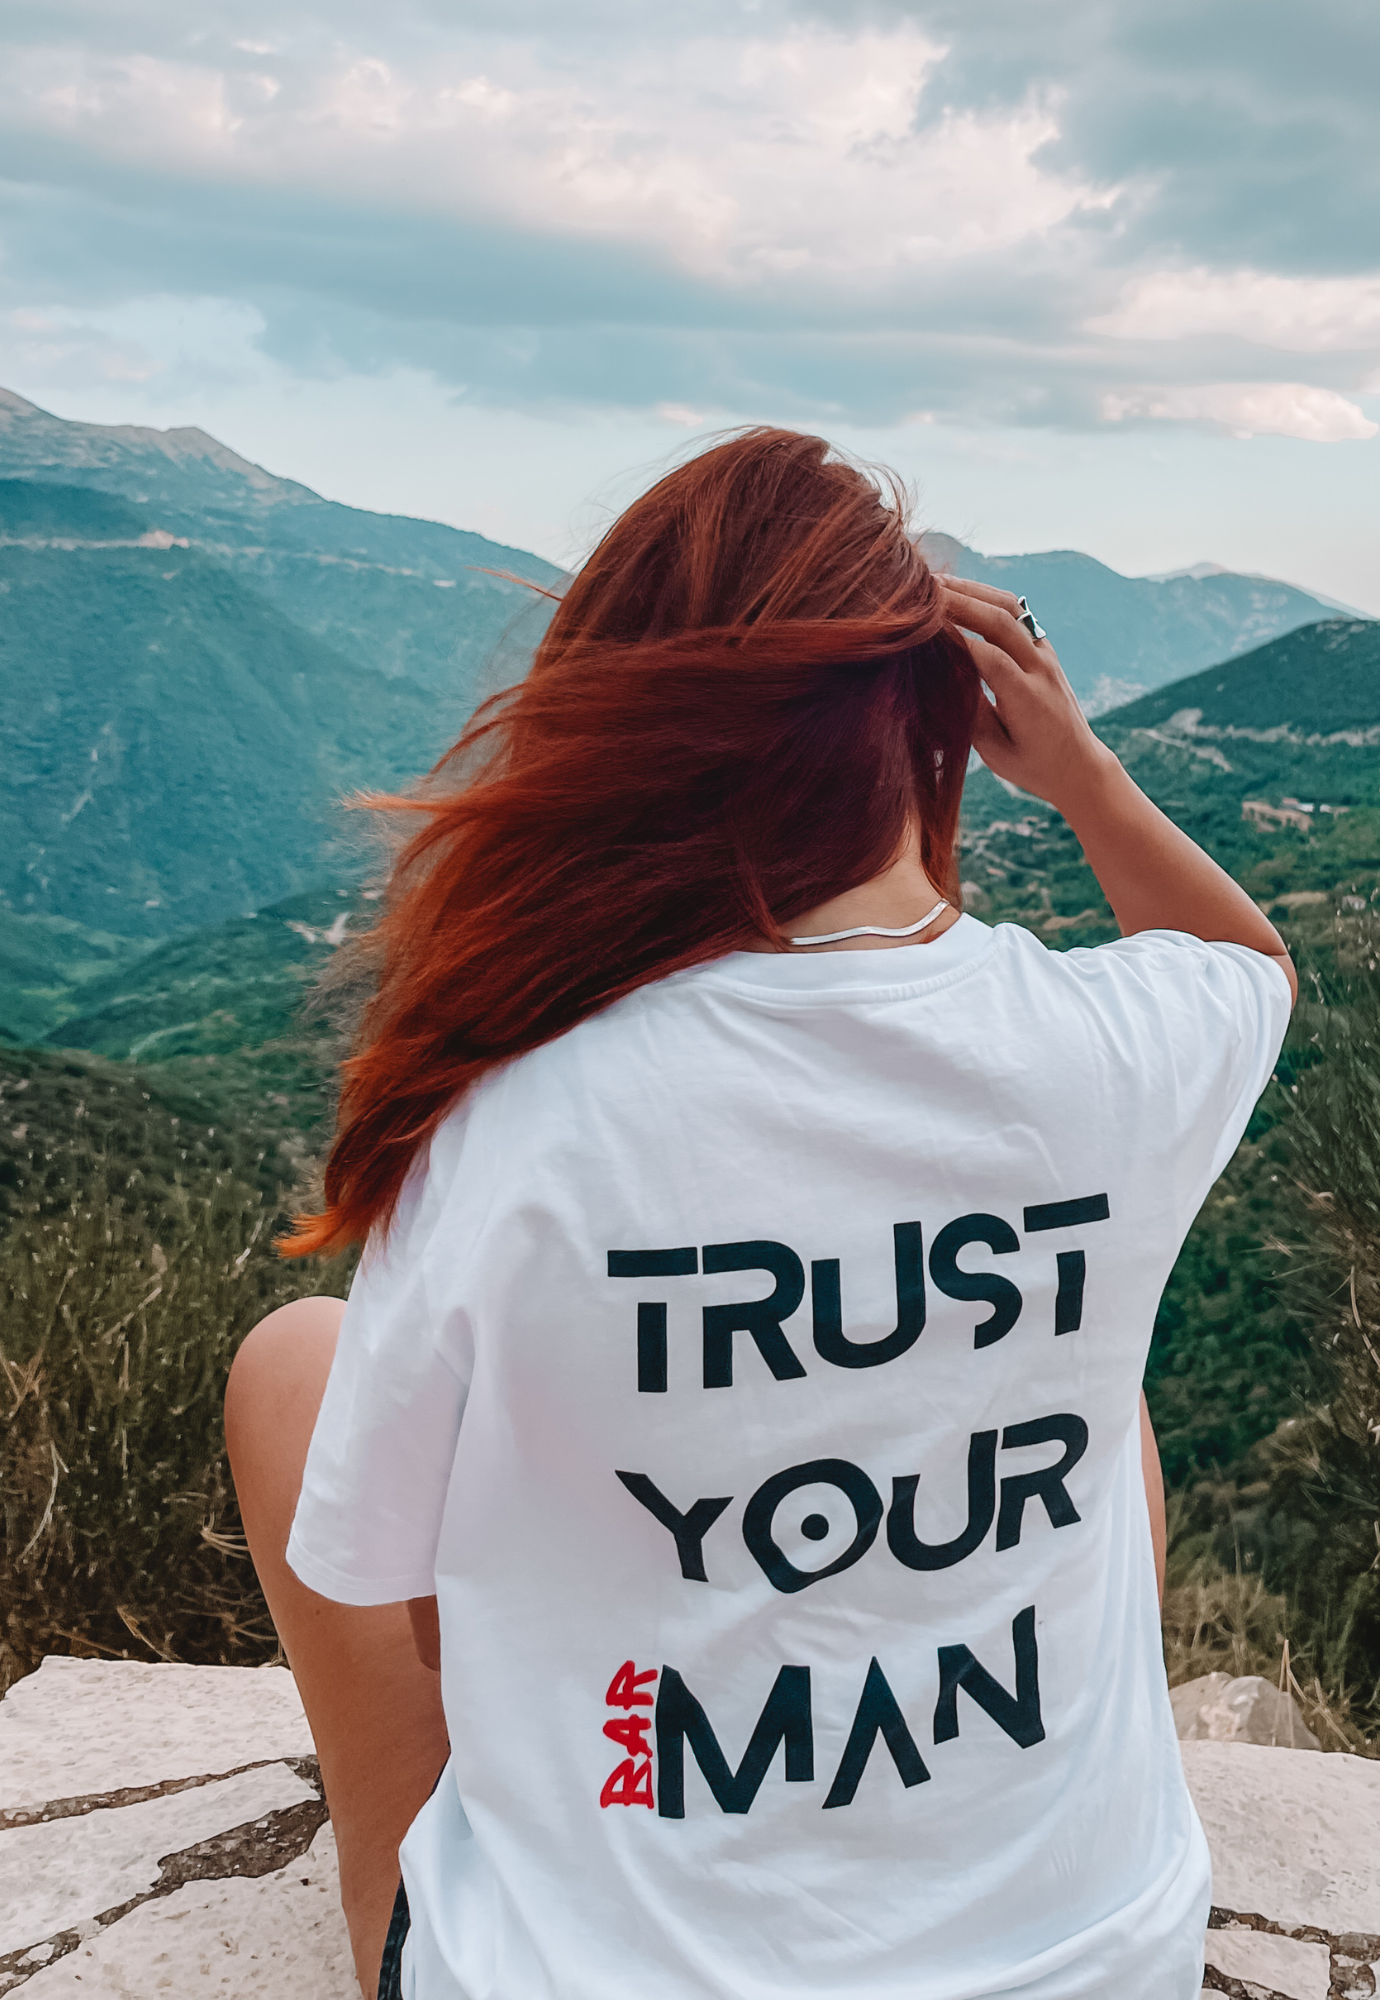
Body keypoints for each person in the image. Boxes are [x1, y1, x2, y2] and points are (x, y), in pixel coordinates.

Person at [224, 428, 1294, 2000]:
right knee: (1092, 1383)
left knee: (293, 1367)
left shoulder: (511, 1122)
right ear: (936, 718)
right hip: (1094, 1971)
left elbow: (449, 1638)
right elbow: (1247, 967)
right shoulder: (1108, 1057)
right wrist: (1079, 771)